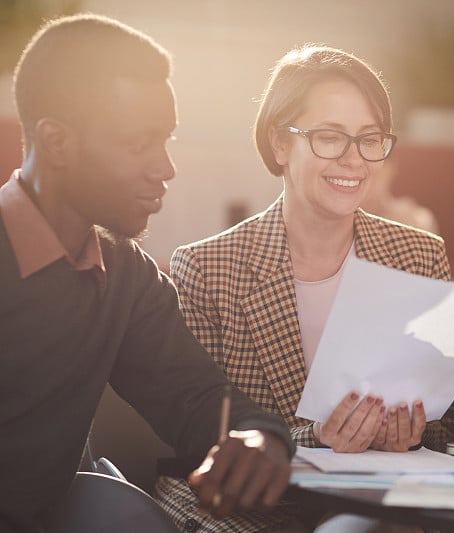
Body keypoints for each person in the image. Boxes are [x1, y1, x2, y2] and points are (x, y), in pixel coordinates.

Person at [0, 14, 294, 532]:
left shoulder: (124, 276)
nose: (165, 168)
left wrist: (259, 435)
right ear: (57, 142)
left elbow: (193, 394)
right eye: (139, 144)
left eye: (166, 141)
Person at [154, 45, 454, 531]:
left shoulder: (420, 255)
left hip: (377, 499)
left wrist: (411, 431)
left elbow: (440, 415)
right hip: (256, 507)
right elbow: (205, 436)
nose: (354, 160)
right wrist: (314, 435)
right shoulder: (206, 266)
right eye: (329, 137)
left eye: (369, 139)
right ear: (280, 144)